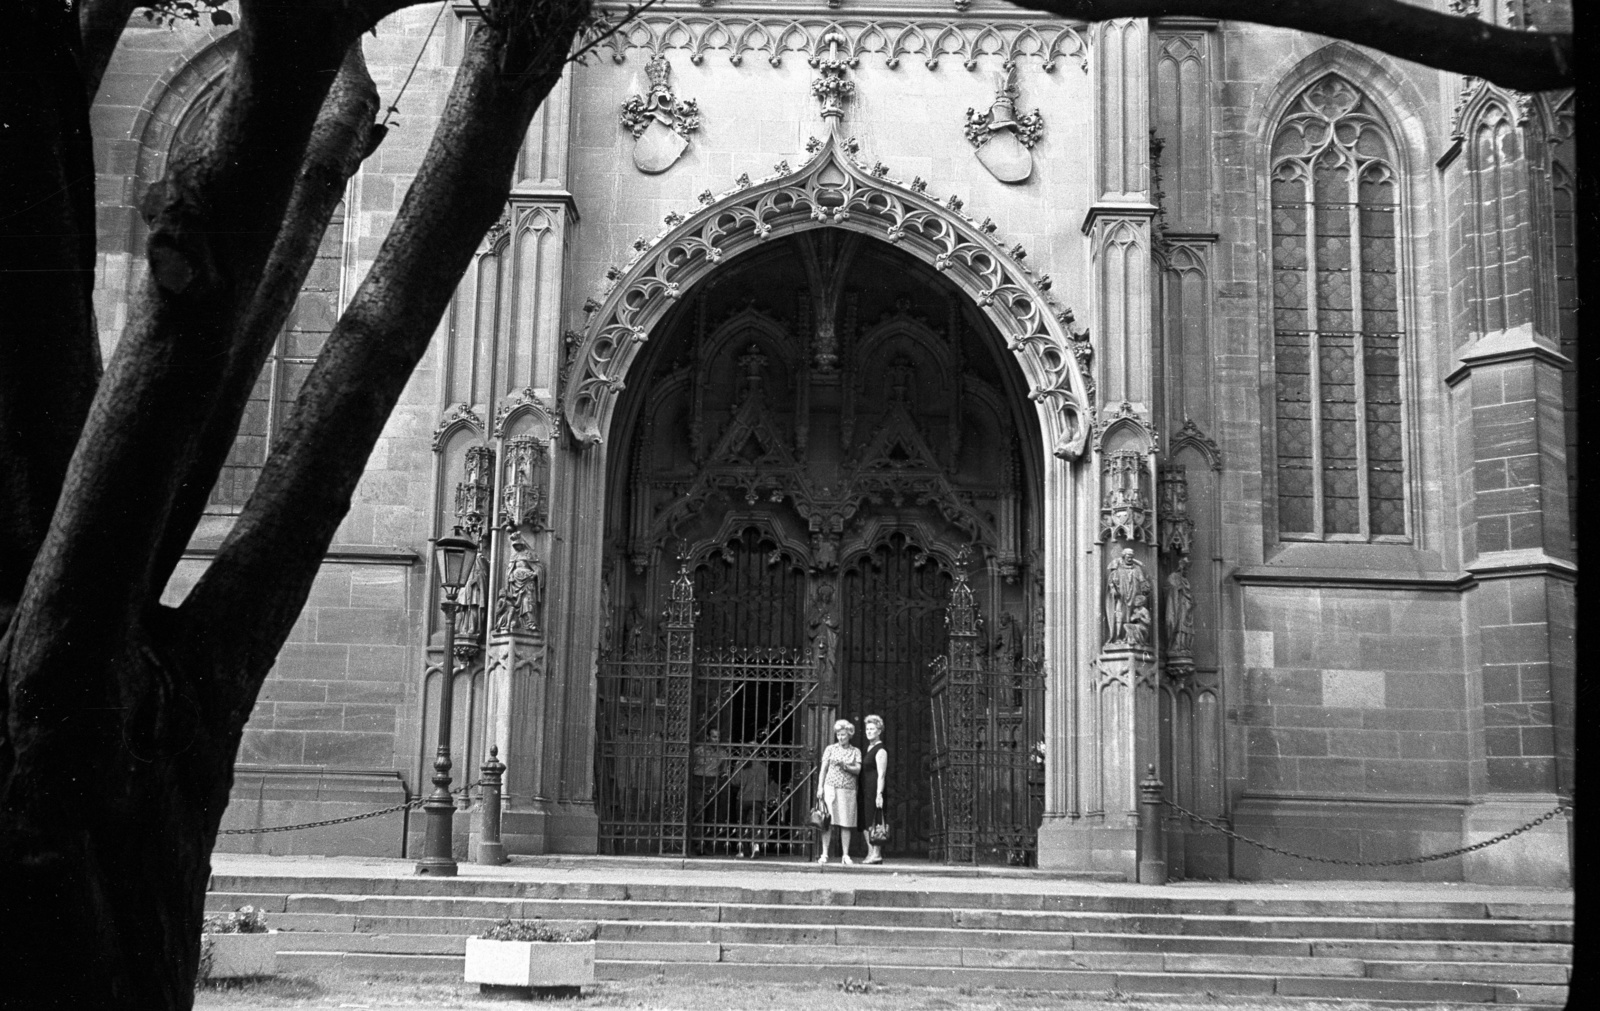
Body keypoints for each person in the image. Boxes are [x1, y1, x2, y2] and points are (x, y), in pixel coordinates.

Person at [816, 719, 861, 865]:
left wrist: (845, 766)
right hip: (831, 788)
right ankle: (824, 853)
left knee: (846, 823)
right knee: (827, 821)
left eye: (843, 735)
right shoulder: (830, 749)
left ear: (849, 735)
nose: (841, 737)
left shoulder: (855, 751)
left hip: (848, 790)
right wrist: (820, 787)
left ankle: (845, 855)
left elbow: (858, 770)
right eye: (838, 735)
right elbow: (823, 769)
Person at [860, 714, 889, 864]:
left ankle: (877, 854)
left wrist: (879, 794)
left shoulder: (880, 750)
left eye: (872, 729)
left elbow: (882, 774)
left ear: (879, 731)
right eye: (867, 729)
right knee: (866, 821)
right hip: (866, 789)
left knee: (876, 821)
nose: (869, 731)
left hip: (875, 790)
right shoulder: (869, 748)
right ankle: (871, 852)